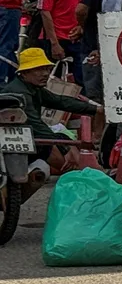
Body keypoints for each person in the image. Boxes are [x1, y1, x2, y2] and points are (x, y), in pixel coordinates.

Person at [0, 48, 101, 193]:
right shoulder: (19, 93)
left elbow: (60, 101)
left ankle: (87, 177)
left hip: (31, 140)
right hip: (20, 144)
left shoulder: (33, 88)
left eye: (47, 69)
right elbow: (37, 127)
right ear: (24, 73)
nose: (45, 74)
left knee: (64, 141)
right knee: (62, 152)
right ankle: (84, 181)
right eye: (39, 70)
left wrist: (94, 109)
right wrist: (65, 147)